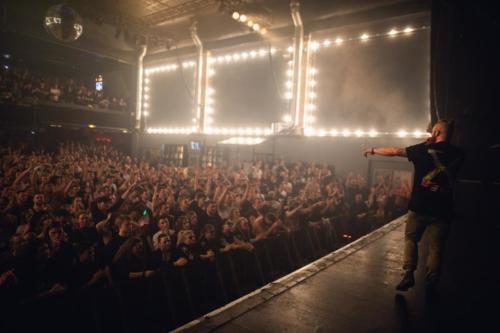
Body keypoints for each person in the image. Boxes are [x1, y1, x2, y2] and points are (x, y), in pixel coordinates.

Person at [363, 119, 464, 291]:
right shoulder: (459, 154)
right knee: (436, 248)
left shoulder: (423, 150)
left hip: (420, 206)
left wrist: (372, 149)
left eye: (432, 131)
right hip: (443, 209)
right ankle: (432, 281)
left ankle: (409, 273)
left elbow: (395, 151)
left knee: (411, 239)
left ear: (436, 132)